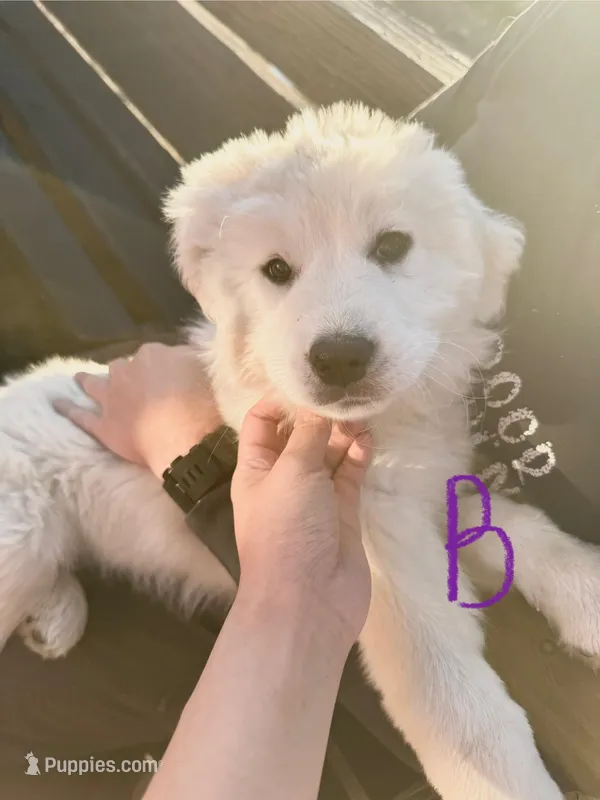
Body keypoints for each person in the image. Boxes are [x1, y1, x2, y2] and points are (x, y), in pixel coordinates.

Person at [2, 1, 600, 797]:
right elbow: (418, 593)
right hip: (43, 456)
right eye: (280, 271)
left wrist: (555, 568)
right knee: (19, 557)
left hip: (218, 619)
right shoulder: (296, 413)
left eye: (388, 248)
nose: (337, 331)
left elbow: (432, 510)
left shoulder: (427, 380)